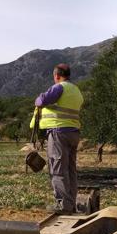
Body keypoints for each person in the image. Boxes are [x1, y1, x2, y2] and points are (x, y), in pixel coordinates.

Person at [31, 63, 83, 214]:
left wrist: (38, 98)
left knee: (58, 169)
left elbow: (42, 101)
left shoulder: (59, 87)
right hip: (73, 133)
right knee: (70, 169)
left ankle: (63, 205)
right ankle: (71, 202)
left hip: (58, 133)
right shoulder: (76, 90)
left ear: (56, 76)